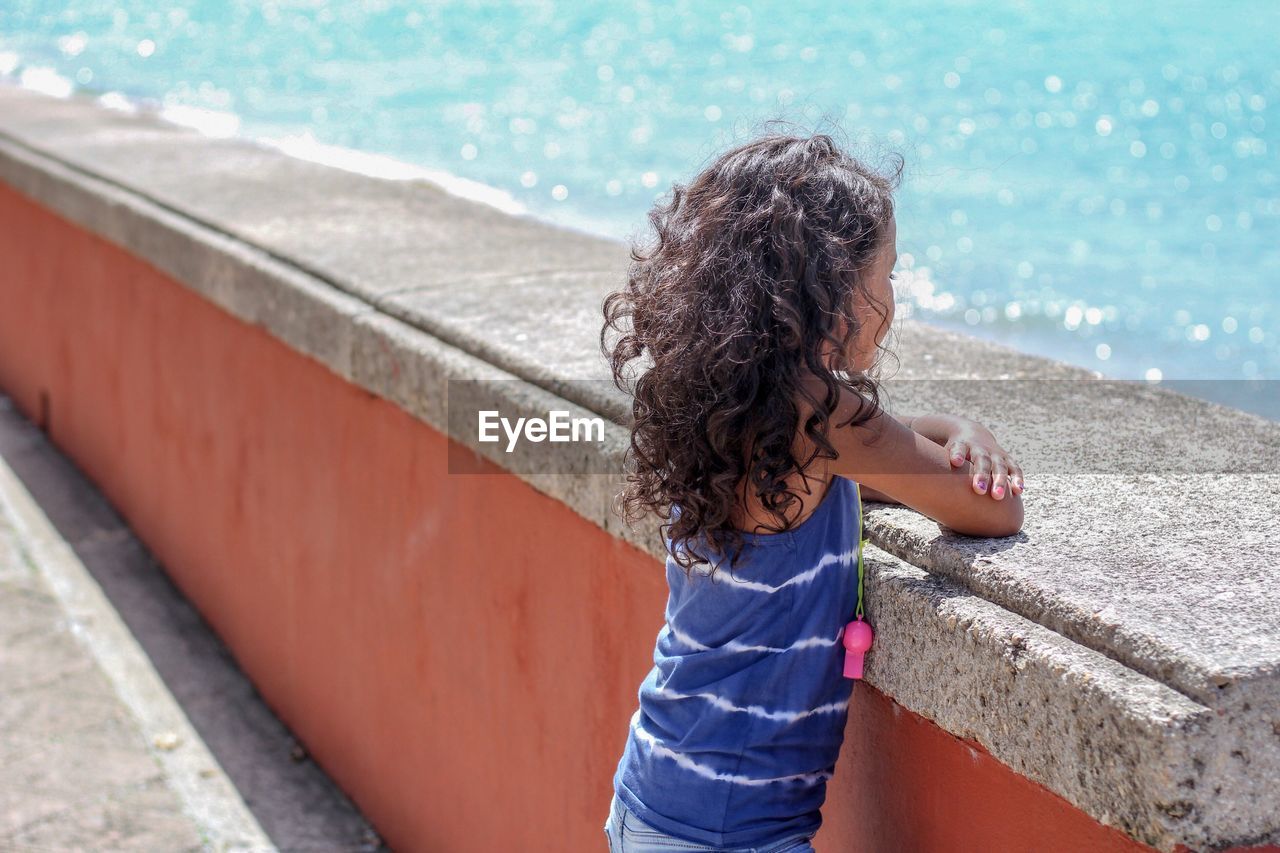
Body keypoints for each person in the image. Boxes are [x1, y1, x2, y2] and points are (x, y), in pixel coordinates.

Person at [597, 128, 1026, 852]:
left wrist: (955, 426)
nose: (894, 294)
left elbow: (883, 456)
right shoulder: (824, 416)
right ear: (835, 295)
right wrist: (972, 436)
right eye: (886, 274)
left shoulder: (732, 405)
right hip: (728, 832)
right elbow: (992, 508)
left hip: (656, 793)